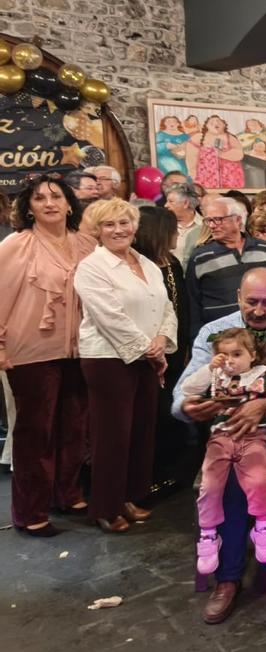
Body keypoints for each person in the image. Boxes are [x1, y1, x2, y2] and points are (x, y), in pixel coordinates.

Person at [173, 269, 266, 623]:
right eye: (251, 301)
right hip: (230, 435)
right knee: (227, 486)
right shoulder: (214, 333)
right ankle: (227, 577)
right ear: (239, 296)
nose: (258, 310)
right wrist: (189, 407)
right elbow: (183, 391)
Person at [75, 199, 177, 533]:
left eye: (124, 223)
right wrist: (149, 349)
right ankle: (105, 506)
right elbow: (109, 317)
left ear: (135, 226)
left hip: (146, 355)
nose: (118, 230)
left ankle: (130, 497)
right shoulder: (92, 267)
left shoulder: (146, 263)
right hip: (108, 359)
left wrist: (162, 339)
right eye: (109, 225)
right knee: (112, 435)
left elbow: (165, 307)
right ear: (98, 231)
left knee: (140, 432)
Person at [0, 175, 94, 536]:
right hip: (31, 351)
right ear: (29, 207)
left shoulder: (85, 243)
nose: (49, 203)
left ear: (70, 204)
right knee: (35, 432)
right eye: (39, 198)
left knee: (75, 426)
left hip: (81, 348)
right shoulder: (17, 244)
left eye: (57, 196)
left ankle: (67, 494)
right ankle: (30, 510)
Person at [180, 327, 266, 574]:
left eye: (237, 354)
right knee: (210, 485)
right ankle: (209, 533)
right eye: (224, 355)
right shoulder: (216, 377)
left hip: (254, 438)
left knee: (259, 480)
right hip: (220, 438)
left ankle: (263, 525)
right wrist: (210, 368)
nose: (231, 361)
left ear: (252, 355)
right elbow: (188, 389)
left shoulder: (263, 374)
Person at [133, 205, 192, 491]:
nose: (177, 235)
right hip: (148, 349)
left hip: (176, 347)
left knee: (171, 408)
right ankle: (150, 474)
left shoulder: (172, 262)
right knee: (152, 414)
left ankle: (172, 469)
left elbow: (183, 306)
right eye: (173, 229)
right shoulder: (138, 266)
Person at [185, 196, 266, 339]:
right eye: (208, 220)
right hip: (220, 340)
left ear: (238, 220)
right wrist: (197, 341)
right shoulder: (200, 257)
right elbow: (193, 306)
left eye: (218, 219)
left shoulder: (264, 249)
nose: (212, 225)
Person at [164, 182, 204, 265]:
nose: (166, 205)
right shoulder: (163, 226)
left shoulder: (205, 226)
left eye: (171, 202)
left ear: (186, 203)